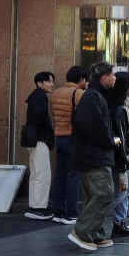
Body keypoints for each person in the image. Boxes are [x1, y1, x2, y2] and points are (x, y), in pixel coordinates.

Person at [68, 62, 119, 252]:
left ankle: (94, 234)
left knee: (93, 197)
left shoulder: (96, 96)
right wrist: (109, 141)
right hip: (94, 156)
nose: (115, 78)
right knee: (104, 193)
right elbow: (91, 124)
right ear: (104, 78)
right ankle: (81, 232)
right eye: (113, 75)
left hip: (91, 155)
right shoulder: (92, 96)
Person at [50, 65, 88, 225]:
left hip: (59, 137)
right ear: (81, 80)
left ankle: (58, 211)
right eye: (85, 80)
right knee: (73, 175)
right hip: (73, 138)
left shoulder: (55, 93)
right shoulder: (79, 93)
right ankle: (71, 212)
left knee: (59, 174)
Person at [24, 71, 56, 221]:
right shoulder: (40, 96)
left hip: (34, 140)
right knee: (42, 174)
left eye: (52, 81)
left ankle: (34, 206)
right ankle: (38, 208)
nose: (52, 84)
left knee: (36, 174)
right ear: (39, 83)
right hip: (39, 139)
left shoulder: (35, 96)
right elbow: (40, 117)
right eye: (49, 81)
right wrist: (49, 130)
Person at [109, 71, 129, 239]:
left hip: (125, 157)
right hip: (120, 158)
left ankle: (119, 224)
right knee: (121, 192)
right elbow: (120, 137)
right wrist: (123, 159)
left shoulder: (124, 105)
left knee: (127, 191)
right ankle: (90, 217)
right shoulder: (119, 109)